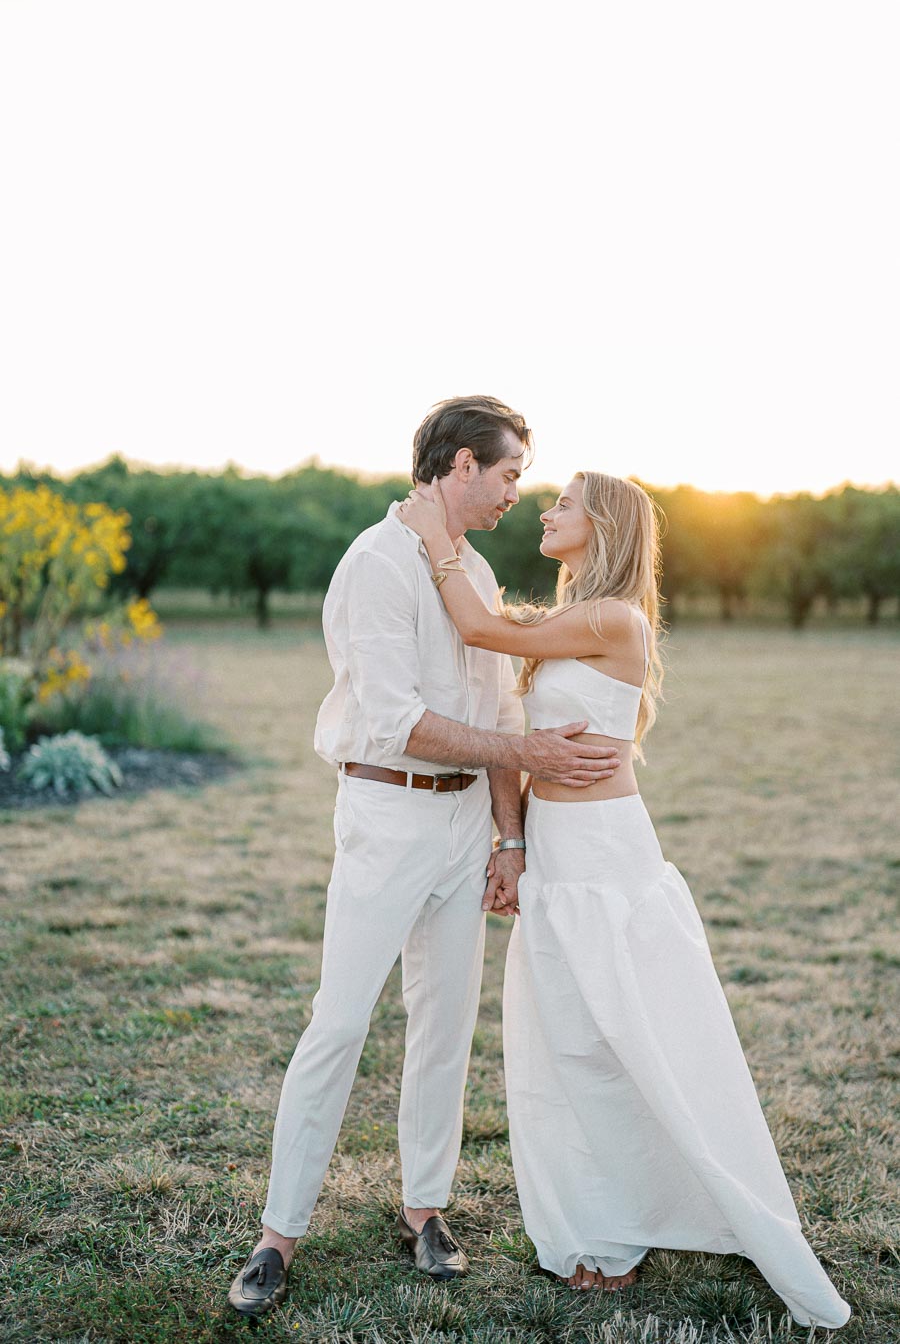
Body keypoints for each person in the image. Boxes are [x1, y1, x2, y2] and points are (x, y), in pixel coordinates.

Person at [395, 471, 851, 1331]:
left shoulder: (611, 618)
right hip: (559, 858)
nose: (545, 510)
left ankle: (693, 1202)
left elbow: (485, 629)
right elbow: (512, 684)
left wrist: (438, 538)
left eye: (563, 502)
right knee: (567, 1047)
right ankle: (603, 1226)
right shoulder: (576, 619)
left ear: (602, 526)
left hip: (608, 863)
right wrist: (517, 839)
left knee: (637, 1038)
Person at [227, 398, 623, 1318]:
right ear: (458, 466)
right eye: (510, 474)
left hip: (463, 827)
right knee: (339, 1022)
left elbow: (498, 717)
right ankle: (278, 1235)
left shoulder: (473, 571)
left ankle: (424, 1211)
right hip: (386, 810)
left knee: (445, 1026)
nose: (517, 495)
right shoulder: (375, 563)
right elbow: (401, 719)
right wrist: (528, 760)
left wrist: (511, 838)